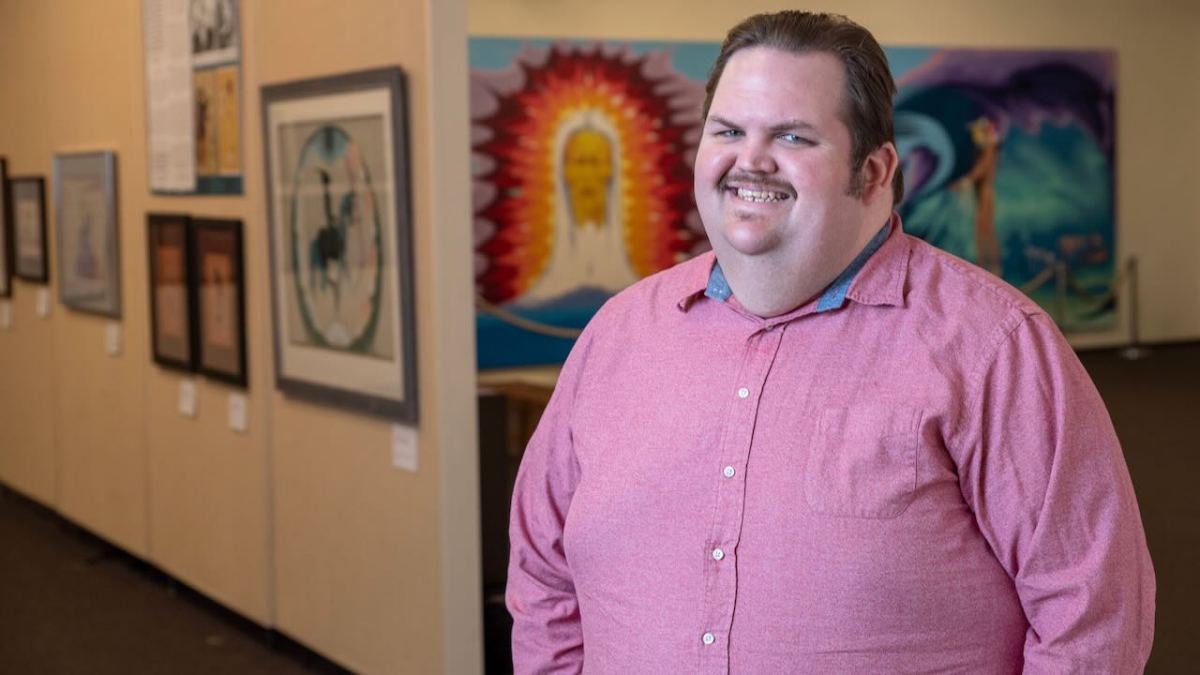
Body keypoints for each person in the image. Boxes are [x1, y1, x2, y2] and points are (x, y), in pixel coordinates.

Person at [507, 11, 1155, 674]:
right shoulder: (618, 335)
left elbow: (1091, 617)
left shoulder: (994, 348)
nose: (749, 160)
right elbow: (542, 576)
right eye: (728, 130)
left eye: (792, 135)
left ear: (873, 172)